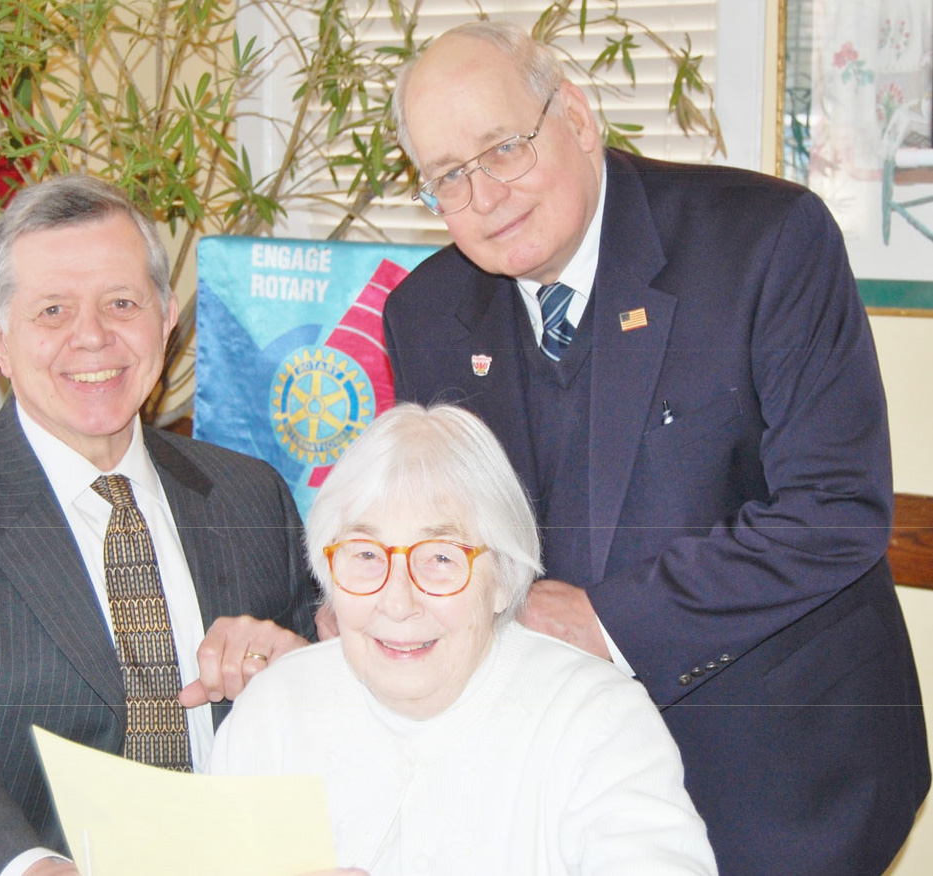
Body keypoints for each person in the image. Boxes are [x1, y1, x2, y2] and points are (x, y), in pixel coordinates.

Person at [379, 20, 930, 876]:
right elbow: (436, 532)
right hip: (558, 785)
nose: (483, 196)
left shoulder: (765, 240)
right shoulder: (423, 313)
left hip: (784, 776)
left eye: (502, 149)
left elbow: (834, 514)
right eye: (447, 176)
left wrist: (606, 619)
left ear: (576, 116)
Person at [0, 175, 317, 876]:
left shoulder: (250, 495)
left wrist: (295, 667)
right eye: (53, 310)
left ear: (166, 319)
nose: (92, 337)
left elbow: (338, 703)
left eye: (121, 303)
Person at [212, 403, 717, 876]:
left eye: (441, 558)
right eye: (366, 555)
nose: (398, 601)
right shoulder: (275, 711)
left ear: (501, 579)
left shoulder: (595, 718)